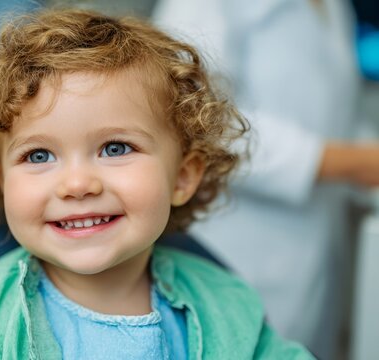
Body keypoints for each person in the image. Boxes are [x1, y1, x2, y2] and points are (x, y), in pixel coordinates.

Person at [0, 8, 314, 359]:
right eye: (38, 156)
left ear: (183, 177)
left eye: (116, 148)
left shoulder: (225, 303)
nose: (77, 184)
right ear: (2, 182)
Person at [152, 1, 379, 358]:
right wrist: (344, 161)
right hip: (236, 237)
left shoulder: (334, 6)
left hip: (311, 243)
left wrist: (363, 158)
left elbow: (336, 115)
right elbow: (194, 112)